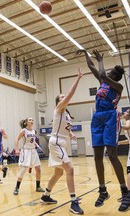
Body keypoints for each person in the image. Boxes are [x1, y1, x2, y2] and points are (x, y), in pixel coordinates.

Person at [78, 49, 130, 212]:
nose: (106, 72)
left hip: (110, 117)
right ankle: (103, 190)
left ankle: (125, 192)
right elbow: (92, 66)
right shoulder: (103, 82)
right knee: (97, 157)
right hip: (97, 118)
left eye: (109, 72)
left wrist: (101, 60)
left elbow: (101, 73)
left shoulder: (118, 86)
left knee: (112, 155)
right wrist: (85, 53)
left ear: (113, 76)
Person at [40, 67, 84, 215]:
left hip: (62, 142)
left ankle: (45, 195)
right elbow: (71, 94)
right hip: (56, 142)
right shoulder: (59, 108)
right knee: (70, 170)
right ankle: (73, 202)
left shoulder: (66, 113)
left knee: (58, 173)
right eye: (61, 97)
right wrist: (78, 78)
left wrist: (70, 132)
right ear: (58, 102)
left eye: (64, 97)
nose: (64, 98)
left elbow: (64, 126)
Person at [13, 117, 45, 195]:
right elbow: (17, 139)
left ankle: (38, 187)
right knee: (23, 170)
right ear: (26, 123)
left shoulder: (34, 131)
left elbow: (32, 141)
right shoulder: (24, 131)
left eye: (32, 120)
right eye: (30, 120)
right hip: (26, 151)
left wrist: (37, 145)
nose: (31, 121)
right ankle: (16, 188)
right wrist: (17, 149)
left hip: (33, 150)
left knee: (38, 169)